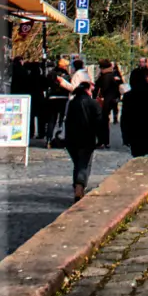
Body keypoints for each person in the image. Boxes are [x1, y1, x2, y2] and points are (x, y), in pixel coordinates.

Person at [64, 71, 100, 201]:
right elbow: (99, 122)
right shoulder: (92, 103)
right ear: (87, 90)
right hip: (86, 138)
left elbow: (66, 120)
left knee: (78, 163)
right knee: (84, 164)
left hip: (71, 139)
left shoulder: (71, 103)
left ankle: (77, 187)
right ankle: (79, 187)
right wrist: (102, 139)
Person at [120, 69, 148, 157]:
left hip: (136, 135)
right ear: (147, 78)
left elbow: (125, 118)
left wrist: (126, 137)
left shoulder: (128, 96)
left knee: (138, 162)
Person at [93, 60, 123, 149]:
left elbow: (102, 89)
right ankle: (105, 141)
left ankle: (102, 141)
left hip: (104, 102)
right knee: (105, 122)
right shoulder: (113, 76)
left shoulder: (105, 77)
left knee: (101, 121)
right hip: (110, 101)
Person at [45, 56, 73, 146]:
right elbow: (69, 87)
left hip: (52, 98)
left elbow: (46, 85)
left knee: (51, 119)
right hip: (63, 98)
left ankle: (49, 139)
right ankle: (60, 137)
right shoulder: (67, 75)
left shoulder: (51, 74)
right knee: (62, 119)